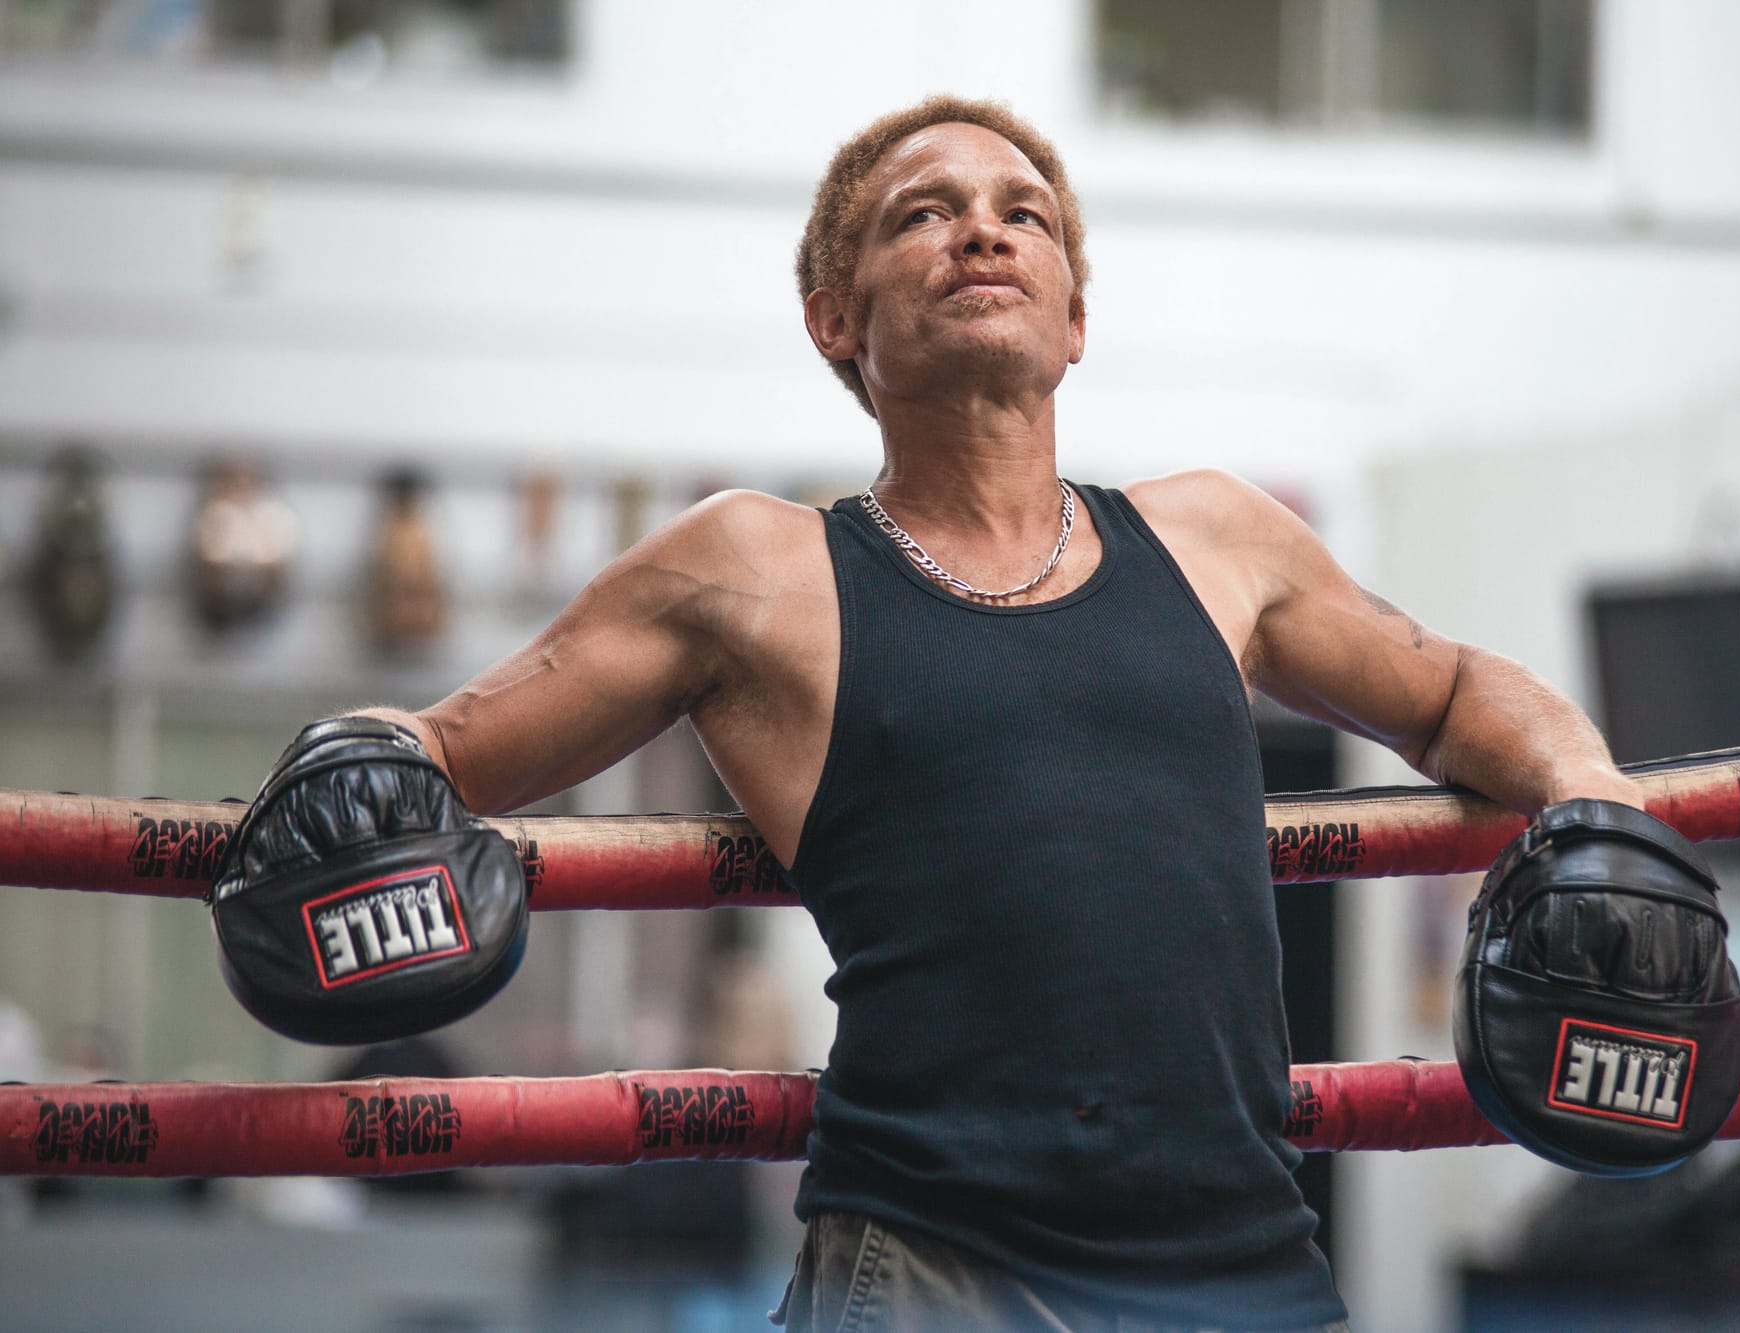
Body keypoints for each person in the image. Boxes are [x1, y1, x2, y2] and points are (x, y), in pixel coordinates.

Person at [328, 97, 1643, 1331]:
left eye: (1027, 213)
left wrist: (1597, 803)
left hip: (1248, 1263)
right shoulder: (752, 568)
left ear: (1076, 319)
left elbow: (1459, 688)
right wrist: (350, 778)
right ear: (833, 319)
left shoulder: (1217, 539)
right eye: (923, 211)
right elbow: (434, 752)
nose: (983, 227)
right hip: (942, 1270)